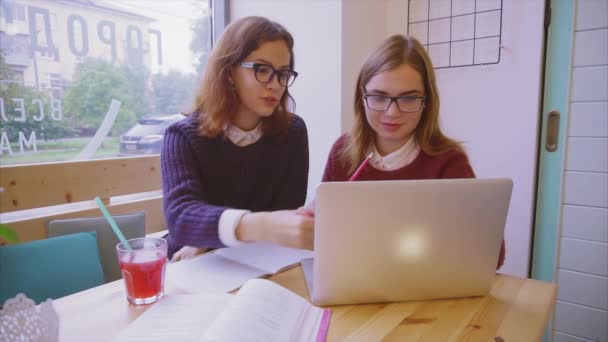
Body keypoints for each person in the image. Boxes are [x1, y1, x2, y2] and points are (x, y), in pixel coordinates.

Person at [307, 34, 505, 269]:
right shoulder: (343, 151)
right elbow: (324, 234)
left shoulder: (449, 162)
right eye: (379, 97)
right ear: (362, 97)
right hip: (354, 277)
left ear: (427, 101)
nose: (392, 113)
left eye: (409, 98)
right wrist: (312, 220)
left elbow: (493, 256)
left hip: (424, 284)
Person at [161, 16, 313, 261]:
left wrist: (211, 240)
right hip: (190, 263)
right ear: (229, 73)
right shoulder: (182, 135)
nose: (275, 85)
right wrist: (257, 227)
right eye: (262, 70)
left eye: (283, 74)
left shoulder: (292, 132)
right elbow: (181, 218)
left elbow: (284, 211)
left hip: (258, 260)